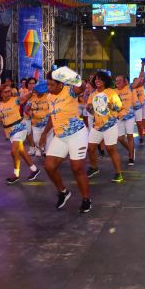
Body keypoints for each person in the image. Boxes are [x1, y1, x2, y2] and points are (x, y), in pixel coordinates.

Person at [38, 69, 91, 213]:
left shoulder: (69, 91)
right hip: (60, 136)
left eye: (52, 85)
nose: (49, 88)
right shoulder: (49, 97)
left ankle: (86, 199)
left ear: (60, 84)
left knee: (77, 168)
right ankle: (63, 192)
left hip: (77, 135)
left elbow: (81, 87)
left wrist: (73, 77)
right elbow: (52, 116)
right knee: (49, 166)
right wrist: (44, 133)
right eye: (48, 85)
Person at [0, 85, 40, 184]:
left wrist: (33, 90)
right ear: (1, 93)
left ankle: (16, 174)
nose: (8, 93)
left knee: (14, 151)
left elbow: (26, 97)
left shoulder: (16, 100)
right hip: (8, 130)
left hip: (19, 127)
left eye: (9, 91)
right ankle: (34, 169)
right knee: (21, 151)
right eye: (5, 92)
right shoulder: (0, 104)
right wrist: (2, 120)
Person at [86, 71, 124, 182]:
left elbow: (119, 107)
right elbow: (89, 107)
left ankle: (118, 174)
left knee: (111, 149)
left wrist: (109, 105)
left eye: (100, 79)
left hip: (110, 125)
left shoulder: (111, 92)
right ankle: (94, 168)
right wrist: (92, 108)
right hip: (97, 126)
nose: (97, 81)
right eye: (96, 79)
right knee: (91, 148)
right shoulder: (92, 94)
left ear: (105, 81)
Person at [115, 74, 138, 165]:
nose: (117, 82)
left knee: (129, 136)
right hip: (119, 117)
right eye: (116, 80)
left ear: (125, 82)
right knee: (120, 138)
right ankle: (131, 149)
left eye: (120, 80)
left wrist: (143, 66)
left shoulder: (130, 88)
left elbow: (138, 80)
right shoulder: (113, 92)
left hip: (129, 116)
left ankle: (131, 156)